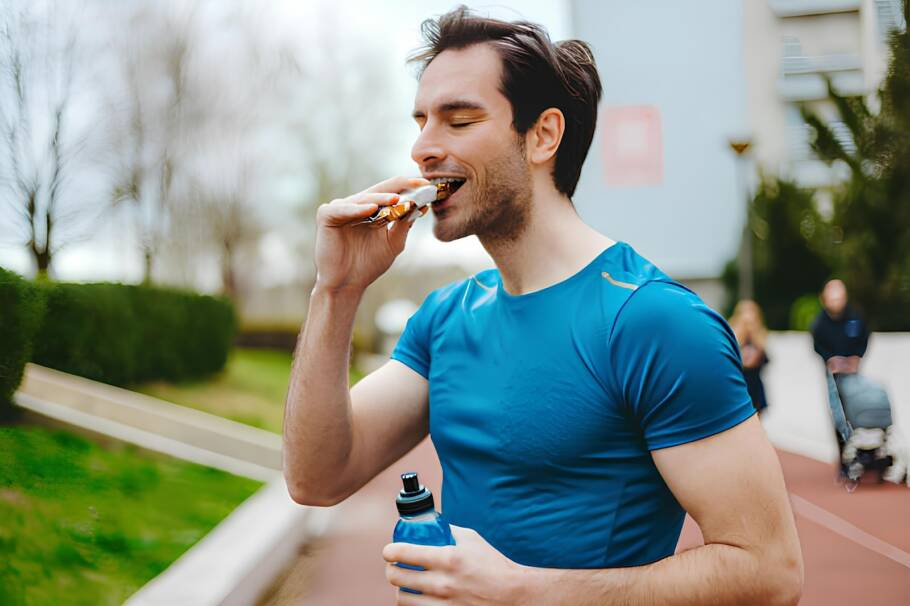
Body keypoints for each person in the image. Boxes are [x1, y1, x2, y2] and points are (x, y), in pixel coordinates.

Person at [283, 8, 803, 604]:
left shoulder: (653, 322)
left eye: (458, 120)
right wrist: (337, 289)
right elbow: (316, 477)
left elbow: (769, 572)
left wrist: (520, 591)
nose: (423, 148)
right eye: (422, 121)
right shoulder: (445, 318)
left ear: (543, 135)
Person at [810, 279, 870, 445]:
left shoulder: (855, 317)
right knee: (837, 413)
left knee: (857, 409)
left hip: (853, 373)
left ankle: (859, 448)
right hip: (833, 376)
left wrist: (856, 358)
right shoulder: (819, 323)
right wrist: (830, 359)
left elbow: (864, 338)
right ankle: (843, 447)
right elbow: (817, 345)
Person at [728, 300, 770, 415]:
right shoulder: (732, 333)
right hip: (739, 385)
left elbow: (766, 360)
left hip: (755, 384)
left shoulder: (760, 334)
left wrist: (754, 334)